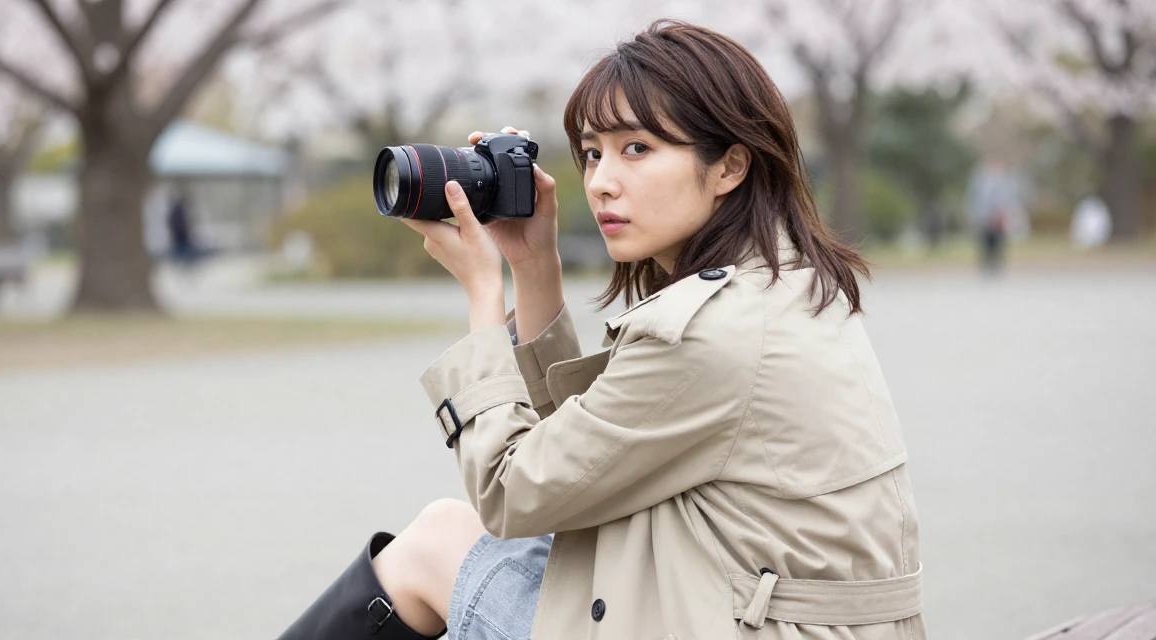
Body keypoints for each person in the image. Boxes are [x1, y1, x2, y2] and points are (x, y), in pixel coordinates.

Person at [274, 19, 925, 640]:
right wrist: (534, 268)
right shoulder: (782, 284)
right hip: (766, 617)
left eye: (637, 149)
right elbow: (586, 459)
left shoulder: (713, 333)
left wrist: (482, 294)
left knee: (433, 547)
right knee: (448, 534)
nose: (603, 182)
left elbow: (513, 492)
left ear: (730, 166)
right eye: (591, 153)